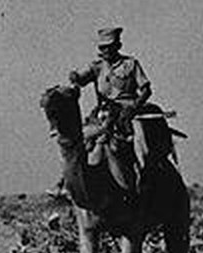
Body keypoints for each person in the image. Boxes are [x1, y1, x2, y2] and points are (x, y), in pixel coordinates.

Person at [51, 25, 152, 200]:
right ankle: (65, 183)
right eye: (102, 47)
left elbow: (146, 89)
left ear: (117, 46)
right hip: (103, 115)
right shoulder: (97, 67)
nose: (105, 50)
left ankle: (145, 182)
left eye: (108, 46)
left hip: (129, 113)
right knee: (78, 141)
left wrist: (134, 106)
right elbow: (81, 79)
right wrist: (75, 77)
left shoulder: (131, 64)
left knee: (141, 145)